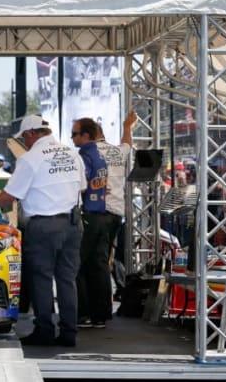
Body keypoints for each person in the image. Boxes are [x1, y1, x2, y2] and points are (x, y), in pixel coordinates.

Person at [0, 115, 85, 346]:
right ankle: (69, 333)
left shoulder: (30, 159)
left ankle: (45, 330)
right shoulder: (72, 154)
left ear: (30, 134)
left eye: (24, 138)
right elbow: (82, 187)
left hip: (43, 226)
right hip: (72, 223)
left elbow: (11, 194)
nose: (25, 143)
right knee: (67, 280)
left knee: (41, 279)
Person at [71, 118, 110, 329]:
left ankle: (83, 313)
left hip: (87, 216)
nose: (72, 138)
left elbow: (81, 185)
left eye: (74, 134)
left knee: (77, 265)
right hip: (102, 214)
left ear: (85, 135)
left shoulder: (84, 156)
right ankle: (101, 314)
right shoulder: (100, 155)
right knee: (99, 266)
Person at [96, 111, 136, 309]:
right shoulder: (117, 151)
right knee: (107, 259)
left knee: (98, 261)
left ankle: (102, 306)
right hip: (117, 213)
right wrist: (127, 127)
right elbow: (127, 144)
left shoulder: (90, 152)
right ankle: (107, 303)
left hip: (100, 211)